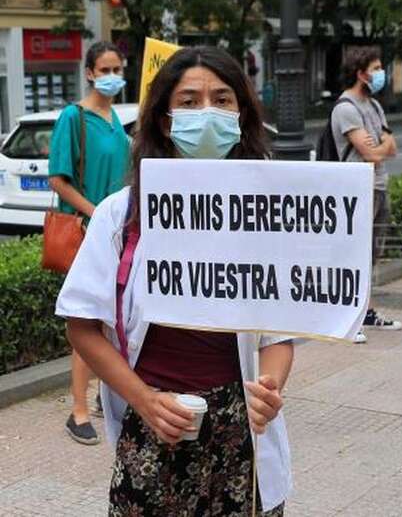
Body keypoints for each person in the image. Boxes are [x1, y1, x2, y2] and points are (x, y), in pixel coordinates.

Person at [55, 46, 291, 516]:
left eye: (222, 100)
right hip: (155, 423)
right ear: (165, 120)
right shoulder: (120, 215)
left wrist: (269, 387)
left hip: (242, 431)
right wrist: (142, 400)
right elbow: (81, 325)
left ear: (241, 115)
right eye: (189, 101)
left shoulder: (265, 215)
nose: (207, 112)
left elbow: (278, 332)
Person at [48, 41, 131, 446]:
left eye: (118, 66)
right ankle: (77, 409)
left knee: (113, 318)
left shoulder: (116, 119)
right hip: (88, 231)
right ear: (90, 73)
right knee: (90, 320)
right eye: (105, 68)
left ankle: (101, 396)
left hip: (116, 233)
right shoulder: (73, 117)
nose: (113, 74)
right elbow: (57, 179)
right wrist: (96, 212)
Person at [331, 47, 402, 344]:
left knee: (371, 255)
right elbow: (371, 152)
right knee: (351, 256)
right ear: (361, 73)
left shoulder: (373, 106)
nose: (380, 72)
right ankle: (347, 318)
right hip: (357, 192)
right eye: (375, 67)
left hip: (379, 186)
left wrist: (381, 147)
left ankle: (367, 312)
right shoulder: (345, 108)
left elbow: (392, 146)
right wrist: (380, 147)